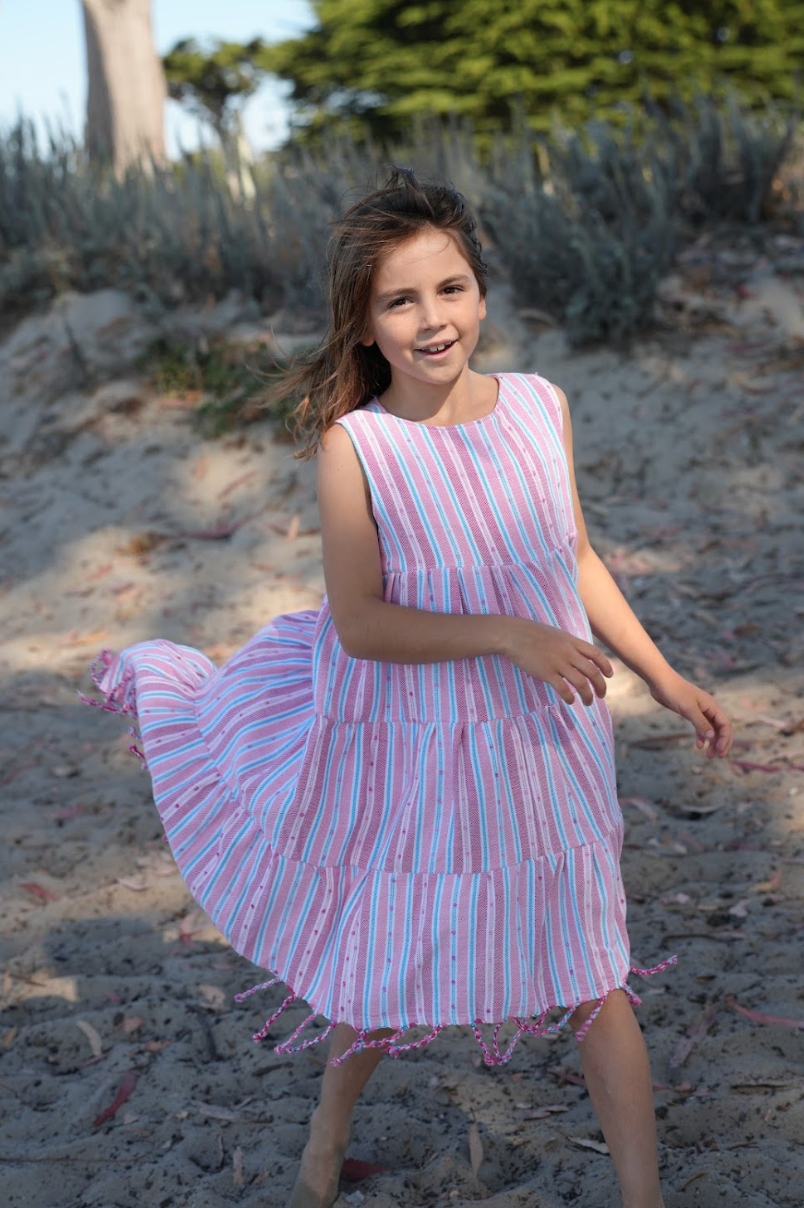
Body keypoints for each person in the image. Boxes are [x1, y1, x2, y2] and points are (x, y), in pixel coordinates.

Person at [86, 167, 732, 1208]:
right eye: (401, 300)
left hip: (543, 734)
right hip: (413, 738)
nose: (433, 319)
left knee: (591, 969)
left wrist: (664, 673)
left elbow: (574, 557)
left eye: (451, 288)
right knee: (387, 957)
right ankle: (321, 1144)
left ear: (481, 292)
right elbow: (362, 621)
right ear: (365, 324)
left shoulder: (539, 406)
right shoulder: (359, 447)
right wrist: (509, 634)